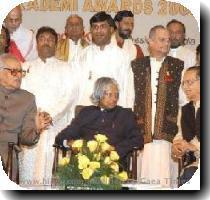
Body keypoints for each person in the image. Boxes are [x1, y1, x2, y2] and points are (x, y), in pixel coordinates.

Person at [19, 26, 79, 188]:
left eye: (50, 39)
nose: (46, 42)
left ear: (56, 43)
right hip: (31, 127)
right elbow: (20, 95)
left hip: (56, 126)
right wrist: (35, 117)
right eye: (42, 39)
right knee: (29, 173)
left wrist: (51, 115)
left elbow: (70, 95)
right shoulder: (25, 67)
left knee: (54, 174)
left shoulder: (67, 68)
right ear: (37, 43)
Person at [131, 25, 184, 187]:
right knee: (142, 178)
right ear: (150, 41)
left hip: (167, 133)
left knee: (165, 178)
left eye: (168, 40)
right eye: (162, 40)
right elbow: (129, 96)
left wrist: (181, 133)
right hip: (142, 132)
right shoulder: (136, 65)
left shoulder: (177, 66)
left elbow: (183, 101)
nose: (166, 43)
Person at [55, 77, 144, 169]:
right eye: (109, 95)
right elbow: (61, 137)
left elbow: (138, 140)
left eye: (116, 95)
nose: (114, 99)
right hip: (83, 168)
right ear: (99, 94)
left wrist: (115, 150)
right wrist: (69, 143)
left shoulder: (125, 115)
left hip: (112, 167)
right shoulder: (86, 113)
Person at [0, 54, 51, 182]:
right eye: (13, 72)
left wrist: (37, 129)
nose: (19, 76)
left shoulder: (28, 99)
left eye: (21, 72)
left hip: (7, 150)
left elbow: (26, 139)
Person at [75, 11, 134, 109]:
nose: (98, 31)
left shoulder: (123, 56)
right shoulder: (82, 55)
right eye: (95, 27)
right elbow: (75, 87)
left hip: (114, 113)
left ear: (111, 30)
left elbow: (129, 89)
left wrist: (127, 113)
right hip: (87, 112)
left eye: (102, 26)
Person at [172, 66, 200, 186]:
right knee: (188, 175)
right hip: (194, 164)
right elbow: (179, 135)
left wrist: (193, 146)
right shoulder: (184, 110)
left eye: (189, 82)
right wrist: (177, 147)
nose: (185, 87)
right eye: (183, 83)